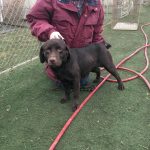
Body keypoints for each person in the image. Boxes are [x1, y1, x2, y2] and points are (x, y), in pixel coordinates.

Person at [26, 0, 111, 88]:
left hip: (82, 63)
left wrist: (102, 50)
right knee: (64, 83)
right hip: (58, 65)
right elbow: (36, 18)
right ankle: (54, 74)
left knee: (82, 82)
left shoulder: (95, 2)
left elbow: (96, 32)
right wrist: (49, 32)